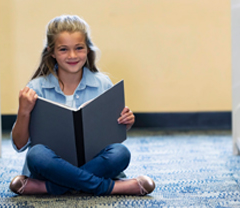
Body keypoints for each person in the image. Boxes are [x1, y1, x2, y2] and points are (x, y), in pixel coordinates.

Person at [9, 15, 155, 196]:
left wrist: (126, 122)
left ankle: (50, 188)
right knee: (36, 155)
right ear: (52, 52)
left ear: (87, 50)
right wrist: (23, 111)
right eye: (63, 49)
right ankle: (112, 188)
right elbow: (19, 145)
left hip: (93, 161)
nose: (72, 55)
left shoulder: (103, 83)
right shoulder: (36, 88)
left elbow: (112, 138)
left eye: (79, 48)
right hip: (52, 164)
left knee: (121, 152)